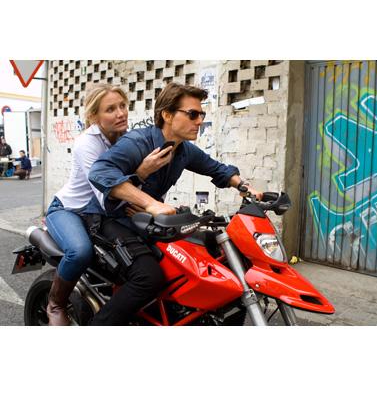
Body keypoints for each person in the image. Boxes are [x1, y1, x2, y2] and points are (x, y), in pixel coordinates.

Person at [88, 82, 262, 325]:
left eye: (201, 114)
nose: (199, 121)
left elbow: (216, 169)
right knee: (148, 277)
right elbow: (99, 172)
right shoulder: (138, 142)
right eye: (192, 114)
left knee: (213, 254)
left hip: (146, 221)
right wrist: (150, 203)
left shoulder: (183, 150)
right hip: (112, 220)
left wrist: (245, 187)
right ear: (167, 115)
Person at [45, 84, 172, 326]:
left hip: (102, 212)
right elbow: (105, 190)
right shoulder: (87, 144)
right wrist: (141, 175)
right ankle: (56, 303)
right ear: (95, 116)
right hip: (71, 210)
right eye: (110, 109)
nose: (120, 113)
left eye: (122, 106)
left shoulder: (127, 139)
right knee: (80, 252)